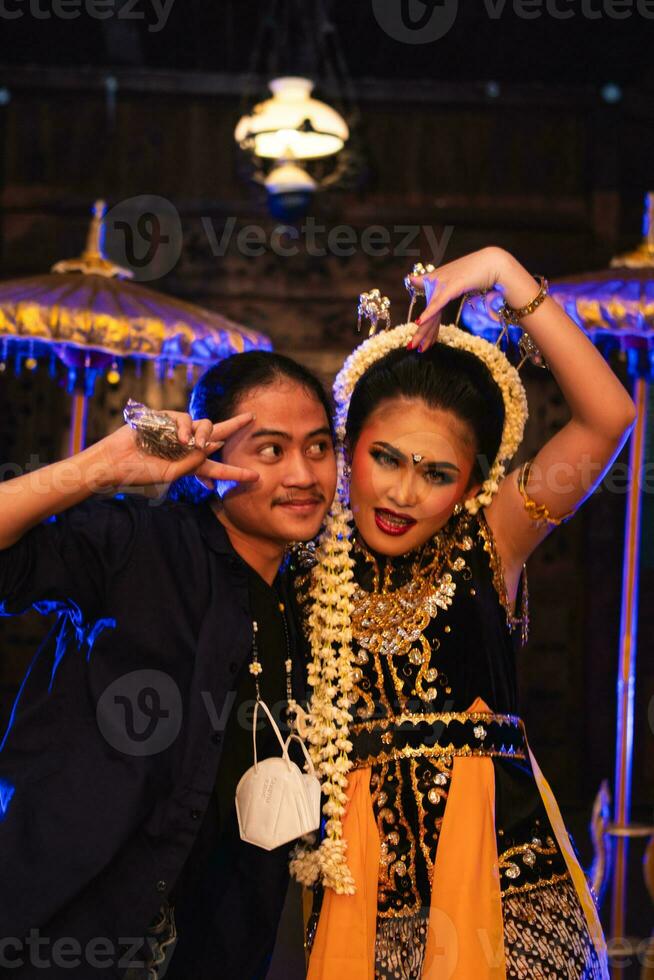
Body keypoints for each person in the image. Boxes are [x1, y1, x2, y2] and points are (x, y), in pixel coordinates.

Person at [291, 247, 635, 979]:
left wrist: (507, 276)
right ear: (348, 451)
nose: (403, 493)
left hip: (506, 884)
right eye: (386, 458)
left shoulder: (493, 539)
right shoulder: (304, 562)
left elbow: (610, 418)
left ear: (471, 484)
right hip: (360, 894)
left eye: (437, 473)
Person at [0, 351, 337, 979]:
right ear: (211, 457)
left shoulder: (319, 605)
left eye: (319, 448)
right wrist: (103, 466)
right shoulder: (137, 544)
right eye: (270, 450)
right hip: (55, 931)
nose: (303, 473)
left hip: (212, 951)